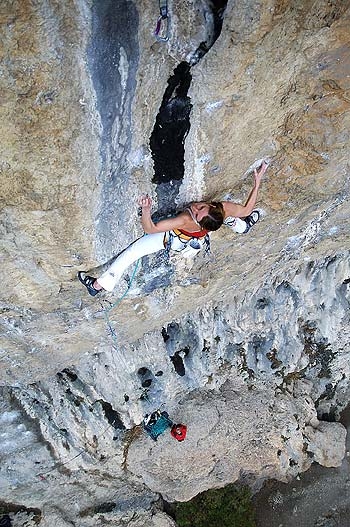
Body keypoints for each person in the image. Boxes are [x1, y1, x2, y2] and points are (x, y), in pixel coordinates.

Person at [78, 161, 268, 296]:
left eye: (197, 212)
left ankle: (97, 286)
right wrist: (257, 181)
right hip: (200, 234)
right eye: (200, 208)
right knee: (228, 219)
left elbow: (151, 229)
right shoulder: (221, 210)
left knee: (133, 252)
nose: (195, 208)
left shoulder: (186, 219)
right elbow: (246, 209)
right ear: (212, 206)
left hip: (176, 239)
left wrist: (146, 210)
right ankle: (243, 228)